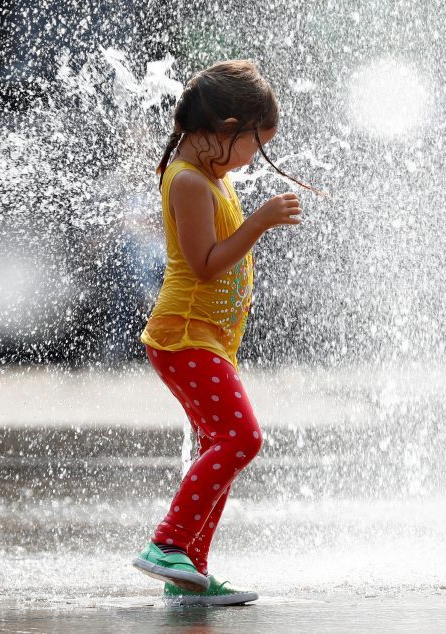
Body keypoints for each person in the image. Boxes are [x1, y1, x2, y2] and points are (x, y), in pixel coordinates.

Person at [131, 59, 322, 606]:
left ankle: (188, 570)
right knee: (242, 439)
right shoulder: (190, 182)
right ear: (226, 127)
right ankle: (168, 544)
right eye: (251, 146)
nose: (250, 160)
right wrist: (257, 223)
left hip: (206, 339)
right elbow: (205, 264)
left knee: (221, 445)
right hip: (184, 336)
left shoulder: (210, 176)